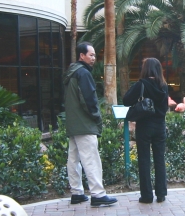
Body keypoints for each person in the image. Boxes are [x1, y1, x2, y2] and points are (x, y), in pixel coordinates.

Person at [64, 42, 117, 207]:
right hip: (84, 123)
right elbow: (89, 99)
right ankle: (98, 194)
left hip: (73, 123)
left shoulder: (71, 72)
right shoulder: (83, 73)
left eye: (94, 55)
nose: (94, 58)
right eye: (91, 55)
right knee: (91, 158)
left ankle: (77, 193)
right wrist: (96, 117)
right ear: (82, 56)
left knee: (73, 159)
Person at [122, 58, 170, 204]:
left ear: (145, 69)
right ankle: (161, 194)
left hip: (144, 126)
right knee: (160, 159)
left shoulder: (141, 84)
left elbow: (126, 100)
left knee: (144, 160)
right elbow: (164, 107)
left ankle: (147, 195)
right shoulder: (164, 86)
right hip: (160, 126)